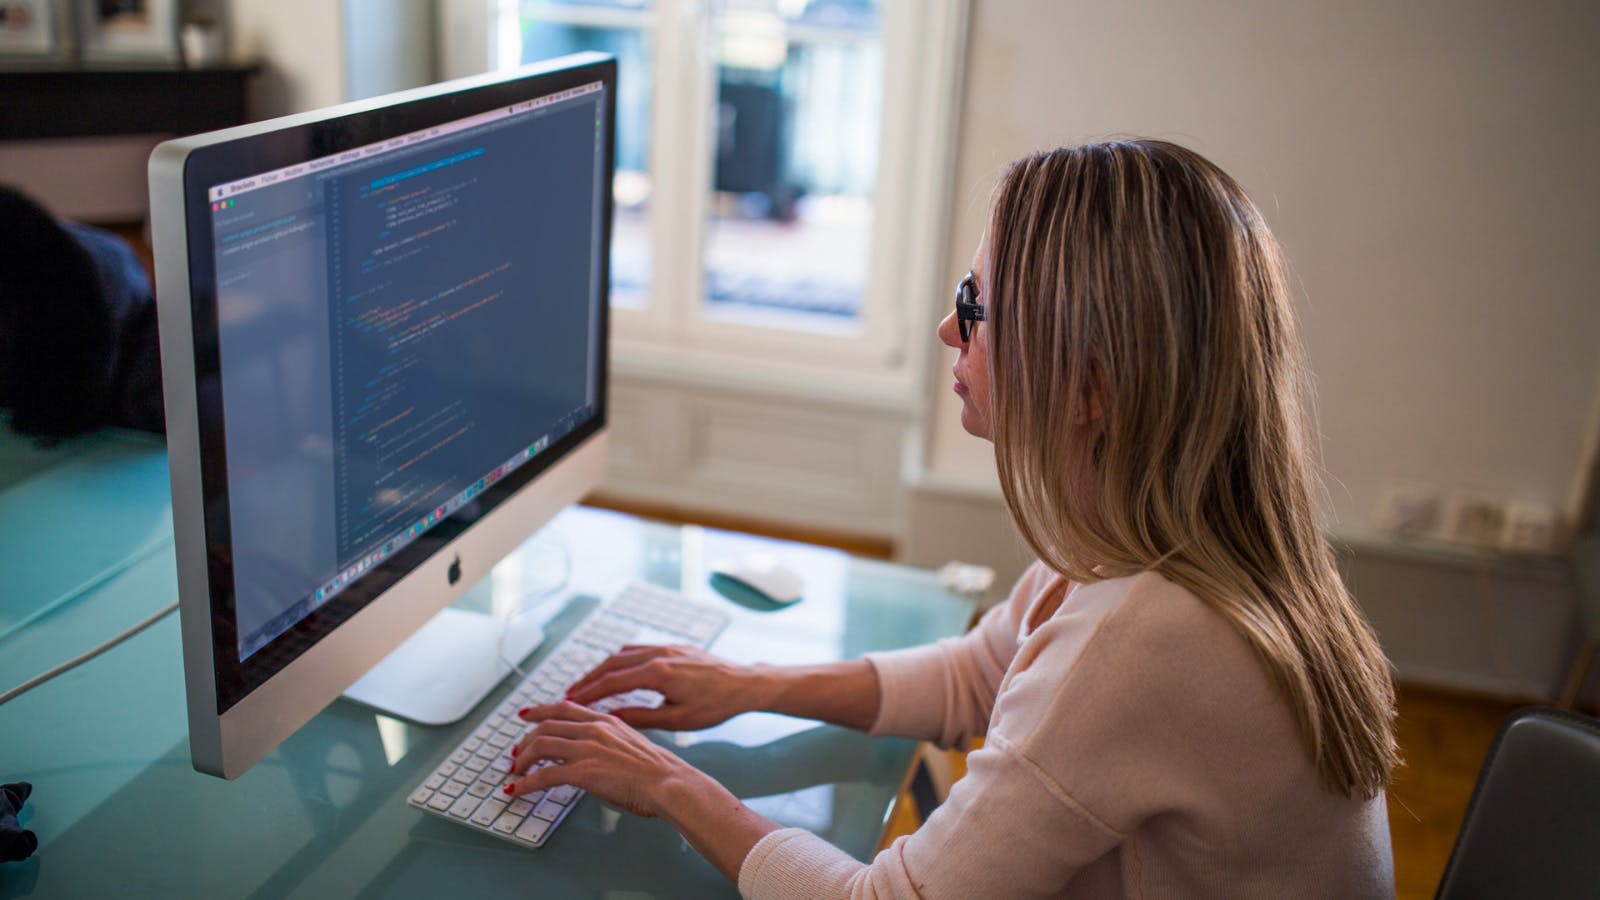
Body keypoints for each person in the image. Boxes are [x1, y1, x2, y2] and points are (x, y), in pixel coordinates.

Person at [505, 140, 1400, 898]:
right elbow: (978, 674)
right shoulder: (1168, 532)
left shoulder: (1149, 637)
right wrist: (752, 684)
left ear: (1089, 388)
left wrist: (665, 781)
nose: (947, 328)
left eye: (975, 307)